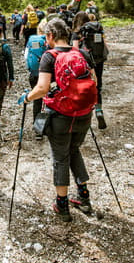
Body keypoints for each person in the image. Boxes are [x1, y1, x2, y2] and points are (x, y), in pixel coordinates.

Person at [18, 18, 97, 221]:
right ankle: (84, 197)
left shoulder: (49, 56)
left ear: (51, 35)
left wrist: (27, 98)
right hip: (83, 114)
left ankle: (62, 205)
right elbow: (94, 81)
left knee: (60, 157)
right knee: (74, 150)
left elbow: (42, 88)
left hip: (61, 116)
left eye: (47, 36)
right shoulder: (83, 54)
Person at [71, 11, 108, 129]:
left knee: (82, 88)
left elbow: (75, 50)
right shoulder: (97, 29)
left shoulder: (77, 33)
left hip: (85, 62)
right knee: (98, 86)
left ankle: (83, 116)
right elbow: (105, 45)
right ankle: (99, 111)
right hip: (99, 59)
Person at [24, 18, 48, 127]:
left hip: (34, 73)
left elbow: (26, 56)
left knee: (37, 100)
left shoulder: (31, 40)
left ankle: (37, 125)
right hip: (47, 75)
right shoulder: (48, 41)